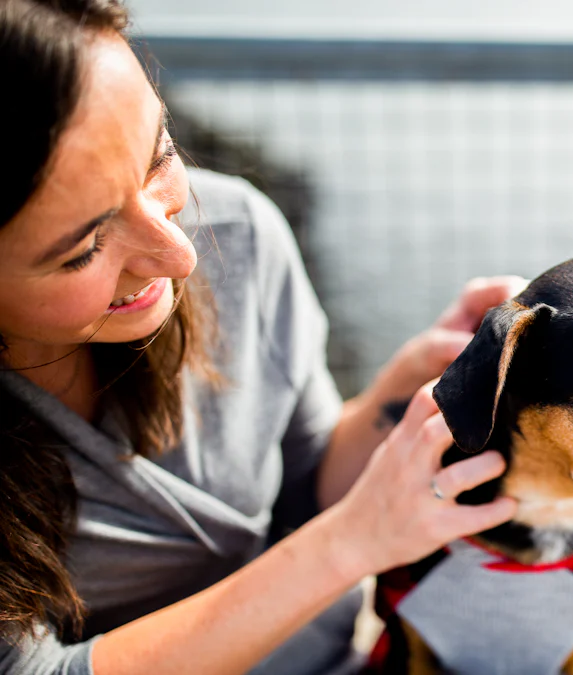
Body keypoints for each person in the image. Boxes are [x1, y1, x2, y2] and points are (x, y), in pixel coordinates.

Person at [0, 1, 521, 673]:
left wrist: (401, 388)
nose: (181, 253)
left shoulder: (241, 235)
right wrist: (351, 544)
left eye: (159, 159)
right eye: (84, 248)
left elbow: (303, 486)